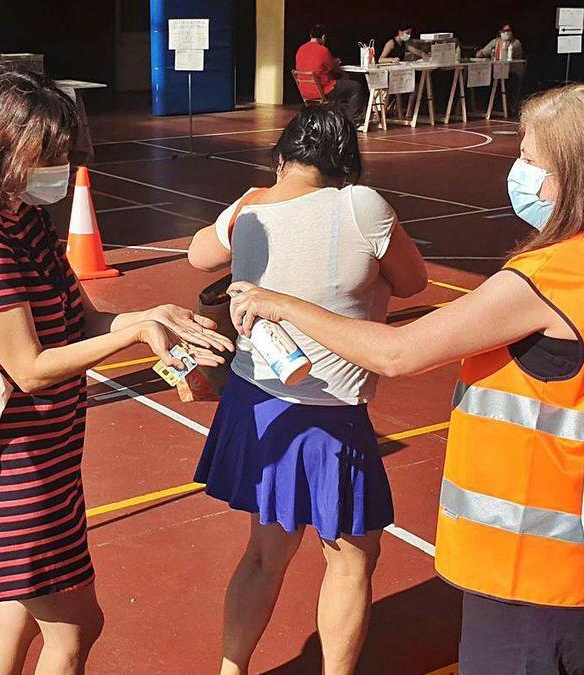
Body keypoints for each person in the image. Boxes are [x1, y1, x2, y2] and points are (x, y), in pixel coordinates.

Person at [229, 84, 584, 675]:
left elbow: (399, 352)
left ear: (573, 174)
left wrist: (280, 304)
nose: (519, 171)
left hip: (524, 555)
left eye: (531, 159)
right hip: (576, 545)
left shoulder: (550, 276)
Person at [0, 65, 234, 674]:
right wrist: (137, 335)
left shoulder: (23, 223)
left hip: (47, 466)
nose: (59, 168)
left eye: (60, 152)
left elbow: (82, 322)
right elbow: (31, 367)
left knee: (14, 617)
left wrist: (151, 318)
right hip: (11, 476)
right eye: (44, 153)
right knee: (75, 628)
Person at [187, 105, 427, 675]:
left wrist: (244, 213)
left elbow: (199, 255)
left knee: (267, 551)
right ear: (345, 162)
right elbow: (414, 281)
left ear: (282, 156)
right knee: (351, 555)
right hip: (328, 408)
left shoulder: (250, 206)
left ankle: (232, 668)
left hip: (256, 397)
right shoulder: (359, 204)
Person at [294, 24, 366, 125]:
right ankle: (354, 121)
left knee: (343, 84)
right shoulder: (323, 50)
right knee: (356, 87)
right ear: (323, 37)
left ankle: (339, 114)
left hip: (305, 90)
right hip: (322, 90)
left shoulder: (300, 49)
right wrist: (335, 62)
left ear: (311, 35)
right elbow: (334, 70)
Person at [476, 23, 526, 109]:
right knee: (485, 79)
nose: (506, 33)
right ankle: (489, 107)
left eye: (508, 31)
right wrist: (481, 53)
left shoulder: (516, 43)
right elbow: (482, 53)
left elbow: (505, 53)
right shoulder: (496, 41)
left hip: (513, 71)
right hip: (497, 71)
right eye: (504, 31)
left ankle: (507, 107)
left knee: (507, 82)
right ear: (500, 32)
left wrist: (502, 45)